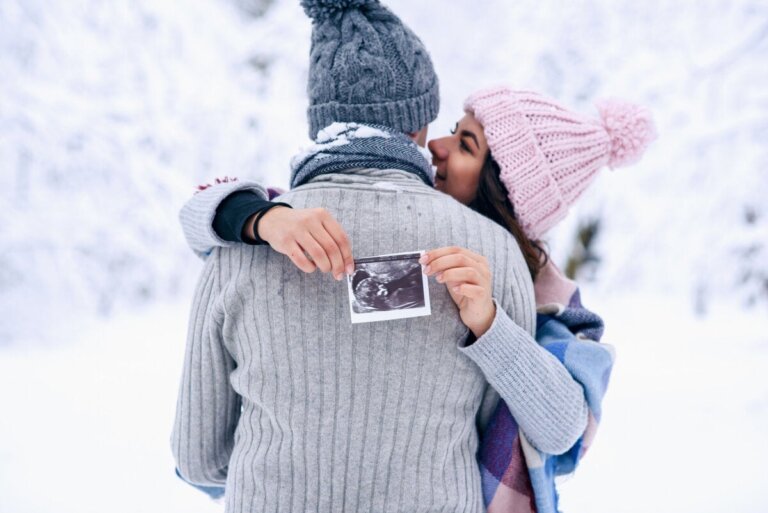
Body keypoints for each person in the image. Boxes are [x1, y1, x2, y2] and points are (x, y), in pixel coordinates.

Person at [171, 1, 590, 513]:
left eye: (464, 143)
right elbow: (511, 433)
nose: (439, 146)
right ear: (417, 124)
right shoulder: (490, 256)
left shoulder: (245, 247)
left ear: (320, 116)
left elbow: (198, 459)